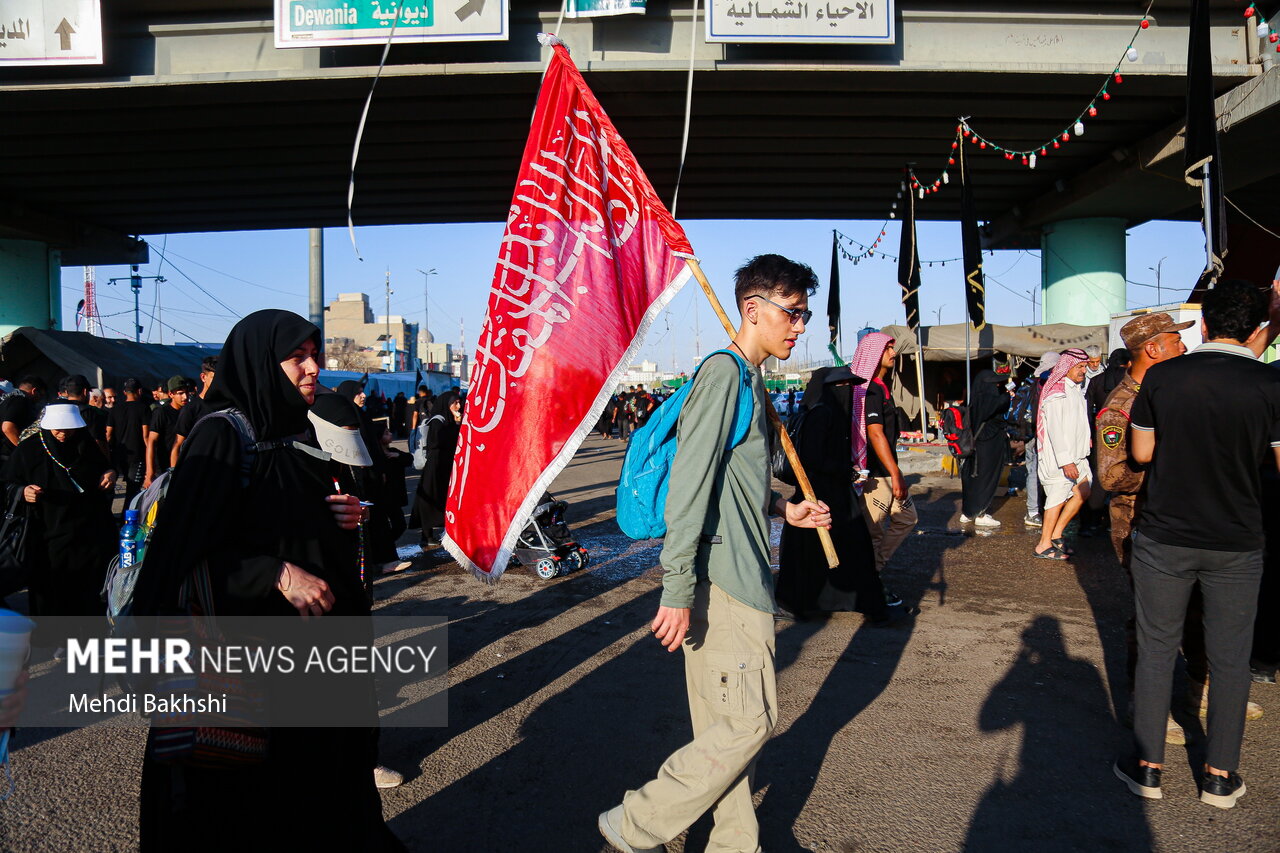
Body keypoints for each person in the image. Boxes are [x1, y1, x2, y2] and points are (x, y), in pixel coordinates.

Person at [130, 309, 405, 850]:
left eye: (314, 354)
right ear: (260, 362)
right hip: (252, 669)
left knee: (320, 790)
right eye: (296, 357)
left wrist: (340, 516)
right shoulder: (222, 436)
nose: (312, 368)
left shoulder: (294, 430)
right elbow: (177, 556)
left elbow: (284, 518)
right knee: (248, 803)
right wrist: (274, 573)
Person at [598, 254, 831, 853]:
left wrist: (785, 508)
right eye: (794, 312)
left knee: (723, 725)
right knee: (751, 722)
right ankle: (635, 824)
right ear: (753, 309)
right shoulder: (725, 375)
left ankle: (734, 843)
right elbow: (689, 489)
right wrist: (676, 592)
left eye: (805, 314)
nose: (801, 325)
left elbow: (736, 478)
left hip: (734, 571)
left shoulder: (750, 379)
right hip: (726, 581)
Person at [1115, 280, 1280, 810]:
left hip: (1165, 532)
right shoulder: (1270, 384)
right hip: (1238, 537)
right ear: (1256, 329)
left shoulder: (1162, 378)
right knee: (1231, 656)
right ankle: (1218, 775)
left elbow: (1140, 453)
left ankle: (1147, 767)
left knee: (1158, 646)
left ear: (1204, 324)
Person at [777, 366, 899, 622]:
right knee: (828, 551)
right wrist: (846, 471)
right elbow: (812, 458)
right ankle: (812, 603)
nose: (846, 392)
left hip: (835, 494)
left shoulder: (827, 412)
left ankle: (861, 602)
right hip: (819, 497)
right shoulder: (821, 414)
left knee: (850, 550)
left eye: (849, 386)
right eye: (840, 387)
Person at [0, 403, 117, 618]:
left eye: (68, 429)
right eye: (57, 429)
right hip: (46, 534)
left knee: (89, 590)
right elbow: (7, 483)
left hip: (88, 533)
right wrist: (22, 491)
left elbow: (104, 466)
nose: (62, 434)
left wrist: (110, 473)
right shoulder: (29, 450)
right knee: (51, 590)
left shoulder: (85, 445)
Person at [850, 333, 919, 576]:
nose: (893, 353)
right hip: (876, 477)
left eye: (892, 348)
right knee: (874, 533)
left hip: (888, 473)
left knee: (907, 518)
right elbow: (875, 434)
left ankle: (874, 569)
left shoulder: (881, 388)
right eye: (888, 349)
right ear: (874, 355)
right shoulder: (870, 391)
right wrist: (895, 473)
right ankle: (872, 582)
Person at [336, 381, 409, 574]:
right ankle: (383, 561)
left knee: (379, 519)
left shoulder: (361, 415)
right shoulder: (347, 415)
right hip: (362, 478)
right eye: (358, 393)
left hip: (373, 476)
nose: (363, 395)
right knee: (374, 520)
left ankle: (382, 560)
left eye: (362, 392)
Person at [1033, 349, 1091, 559]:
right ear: (1067, 367)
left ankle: (1057, 534)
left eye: (1085, 367)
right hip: (1059, 458)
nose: (1083, 371)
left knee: (1083, 492)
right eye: (1080, 367)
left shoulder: (1075, 389)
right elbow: (1056, 430)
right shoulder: (1057, 393)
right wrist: (1066, 461)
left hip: (1078, 455)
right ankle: (1043, 544)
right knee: (1056, 499)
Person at [959, 369, 1011, 528]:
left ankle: (968, 512)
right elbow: (1001, 403)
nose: (997, 385)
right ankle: (980, 514)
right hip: (987, 446)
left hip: (977, 446)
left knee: (974, 479)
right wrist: (1007, 395)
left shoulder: (976, 398)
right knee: (985, 479)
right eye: (994, 383)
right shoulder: (988, 399)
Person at [414, 390, 462, 548]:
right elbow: (439, 442)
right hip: (435, 467)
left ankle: (439, 533)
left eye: (458, 402)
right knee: (430, 499)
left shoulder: (447, 420)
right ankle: (426, 536)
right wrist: (456, 426)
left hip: (444, 465)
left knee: (443, 499)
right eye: (455, 403)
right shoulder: (437, 421)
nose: (458, 405)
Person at [106, 378, 150, 508]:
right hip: (137, 455)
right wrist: (151, 457)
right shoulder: (144, 409)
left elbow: (108, 434)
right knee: (132, 491)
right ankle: (127, 519)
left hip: (118, 454)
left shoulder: (115, 409)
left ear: (124, 392)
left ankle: (111, 518)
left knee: (112, 489)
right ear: (139, 391)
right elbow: (146, 435)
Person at [169, 356, 217, 466]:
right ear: (203, 377)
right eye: (214, 378)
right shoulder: (191, 409)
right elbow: (177, 445)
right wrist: (174, 475)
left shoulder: (227, 407)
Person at [143, 376, 188, 488]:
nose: (185, 397)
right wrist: (150, 473)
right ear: (171, 394)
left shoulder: (188, 413)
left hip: (184, 465)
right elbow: (151, 441)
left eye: (187, 393)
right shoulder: (162, 413)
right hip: (163, 468)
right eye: (180, 393)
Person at [0, 376, 46, 465]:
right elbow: (7, 428)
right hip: (7, 455)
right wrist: (24, 451)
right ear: (34, 391)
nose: (40, 400)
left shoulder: (9, 397)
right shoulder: (22, 400)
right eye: (41, 395)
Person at [59, 374, 109, 456]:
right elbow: (99, 442)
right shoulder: (92, 413)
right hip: (86, 460)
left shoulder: (57, 410)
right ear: (85, 392)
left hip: (63, 459)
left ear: (67, 392)